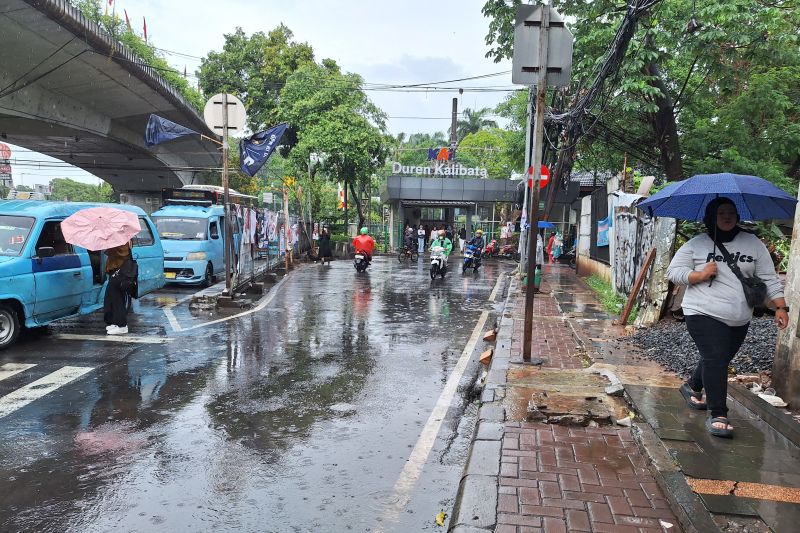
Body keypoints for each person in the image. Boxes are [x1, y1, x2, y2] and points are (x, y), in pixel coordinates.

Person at [667, 197, 788, 438]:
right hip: (702, 311)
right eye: (721, 212)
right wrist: (700, 275)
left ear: (737, 216)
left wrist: (781, 307)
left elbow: (768, 278)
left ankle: (693, 386)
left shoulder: (753, 243)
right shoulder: (697, 244)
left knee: (719, 358)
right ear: (711, 217)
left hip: (740, 316)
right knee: (716, 359)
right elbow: (674, 272)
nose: (726, 216)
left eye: (731, 212)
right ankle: (718, 414)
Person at [104, 242, 133, 335]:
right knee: (110, 298)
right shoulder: (118, 239)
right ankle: (114, 322)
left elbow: (120, 253)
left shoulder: (120, 240)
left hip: (119, 273)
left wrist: (108, 245)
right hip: (115, 272)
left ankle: (122, 326)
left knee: (117, 299)